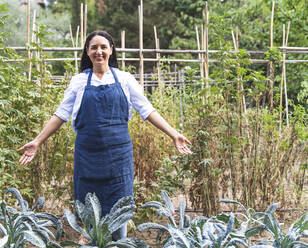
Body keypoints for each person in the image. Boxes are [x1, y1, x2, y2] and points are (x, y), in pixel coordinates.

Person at [18, 30, 192, 240]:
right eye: (94, 47)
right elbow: (61, 114)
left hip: (118, 155)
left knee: (119, 205)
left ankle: (120, 244)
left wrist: (174, 134)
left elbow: (147, 110)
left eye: (103, 47)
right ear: (87, 52)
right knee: (90, 208)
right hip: (88, 156)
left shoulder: (125, 79)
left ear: (111, 50)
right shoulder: (79, 81)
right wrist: (37, 141)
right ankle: (94, 242)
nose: (98, 51)